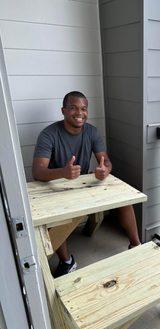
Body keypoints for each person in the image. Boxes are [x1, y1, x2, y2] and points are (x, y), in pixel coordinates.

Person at [32, 91, 141, 277]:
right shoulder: (48, 134)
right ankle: (67, 262)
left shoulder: (92, 131)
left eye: (83, 108)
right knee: (54, 219)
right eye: (73, 108)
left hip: (83, 183)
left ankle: (136, 246)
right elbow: (37, 172)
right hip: (54, 187)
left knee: (124, 200)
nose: (79, 113)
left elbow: (105, 162)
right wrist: (62, 172)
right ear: (63, 111)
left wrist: (104, 171)